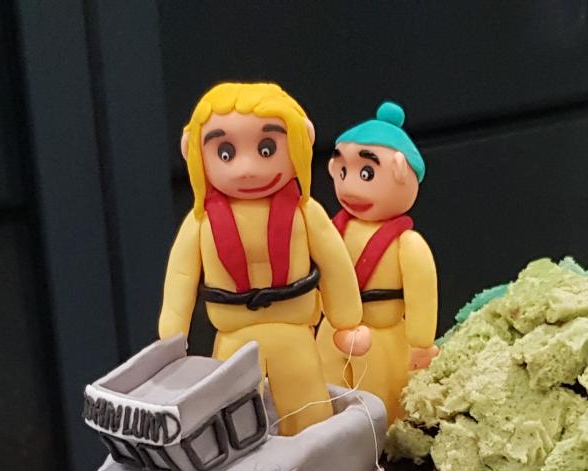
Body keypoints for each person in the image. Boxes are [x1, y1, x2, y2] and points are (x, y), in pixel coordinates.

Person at [159, 82, 368, 436]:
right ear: (193, 151)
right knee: (232, 418)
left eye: (267, 148)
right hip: (233, 337)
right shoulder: (201, 223)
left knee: (310, 413)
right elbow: (180, 277)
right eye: (225, 152)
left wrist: (347, 321)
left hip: (295, 334)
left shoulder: (306, 214)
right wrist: (172, 335)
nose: (247, 169)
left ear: (302, 140)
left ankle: (316, 465)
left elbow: (335, 265)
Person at [316, 101, 438, 424]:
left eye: (366, 173)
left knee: (381, 411)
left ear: (401, 171)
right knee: (324, 400)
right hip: (331, 332)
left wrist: (421, 343)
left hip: (382, 338)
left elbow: (421, 295)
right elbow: (319, 274)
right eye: (343, 172)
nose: (351, 186)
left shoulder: (407, 245)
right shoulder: (331, 230)